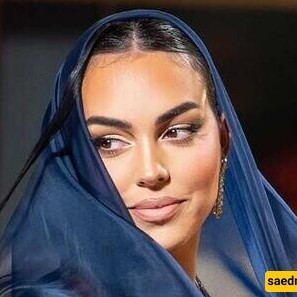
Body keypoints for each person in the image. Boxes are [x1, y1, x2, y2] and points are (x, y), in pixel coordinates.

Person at [0, 9, 296, 297]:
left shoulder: (273, 280)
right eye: (109, 142)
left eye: (177, 132)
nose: (151, 171)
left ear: (223, 138)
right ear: (74, 162)